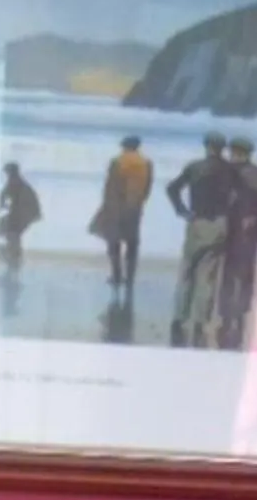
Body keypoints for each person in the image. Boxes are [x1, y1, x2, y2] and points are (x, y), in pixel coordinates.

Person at [166, 132, 236, 346]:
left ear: (207, 147)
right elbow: (239, 197)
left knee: (187, 271)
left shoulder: (194, 167)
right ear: (223, 148)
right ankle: (200, 321)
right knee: (208, 274)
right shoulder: (230, 171)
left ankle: (179, 318)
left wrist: (182, 211)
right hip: (219, 223)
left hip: (196, 221)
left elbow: (172, 188)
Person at [218, 136, 257, 348]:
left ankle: (226, 313)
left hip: (231, 229)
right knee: (246, 272)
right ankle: (242, 311)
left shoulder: (225, 172)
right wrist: (256, 219)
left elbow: (222, 200)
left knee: (228, 272)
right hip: (251, 232)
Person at [89, 134, 153, 290]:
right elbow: (147, 187)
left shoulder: (118, 161)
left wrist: (106, 206)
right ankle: (130, 277)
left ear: (124, 146)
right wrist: (140, 202)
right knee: (133, 242)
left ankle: (116, 275)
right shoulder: (146, 163)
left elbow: (111, 186)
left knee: (114, 241)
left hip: (117, 206)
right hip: (135, 207)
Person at [0, 161, 42, 268]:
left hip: (21, 215)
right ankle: (13, 257)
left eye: (7, 172)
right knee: (12, 235)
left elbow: (3, 197)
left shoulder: (15, 183)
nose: (6, 174)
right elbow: (3, 197)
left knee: (12, 235)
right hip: (22, 215)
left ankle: (13, 258)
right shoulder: (17, 182)